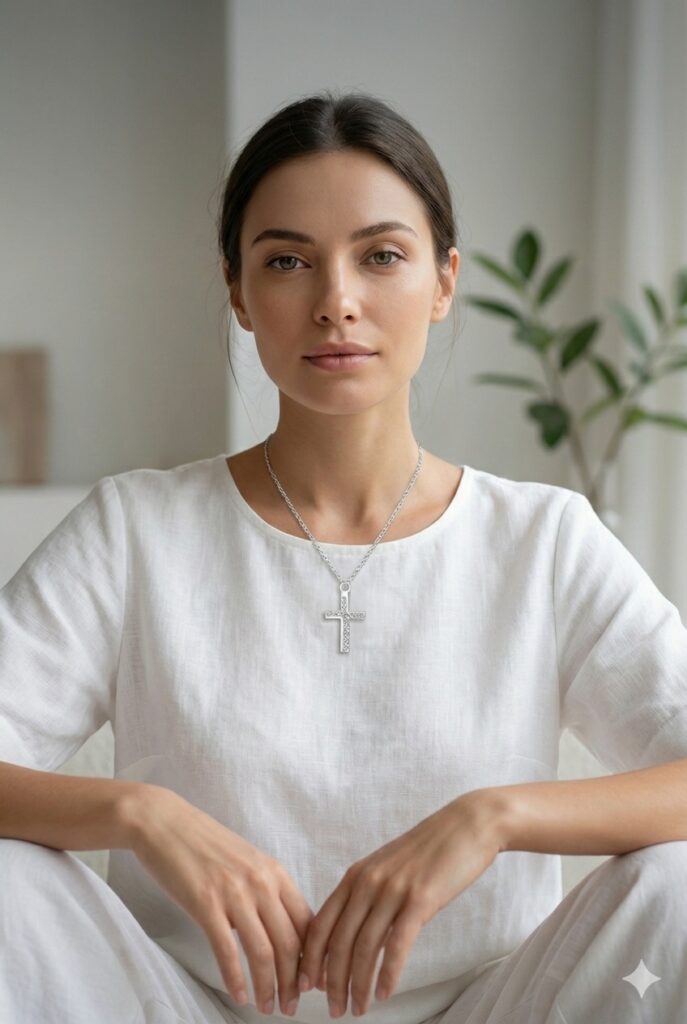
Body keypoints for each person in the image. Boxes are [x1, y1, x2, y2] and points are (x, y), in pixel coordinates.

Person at [2, 88, 687, 1024]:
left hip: (497, 1010)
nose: (336, 302)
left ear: (444, 281)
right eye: (287, 260)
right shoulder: (136, 530)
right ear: (239, 292)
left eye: (381, 257)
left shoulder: (544, 540)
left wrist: (493, 817)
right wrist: (136, 813)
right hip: (170, 1007)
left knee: (676, 882)